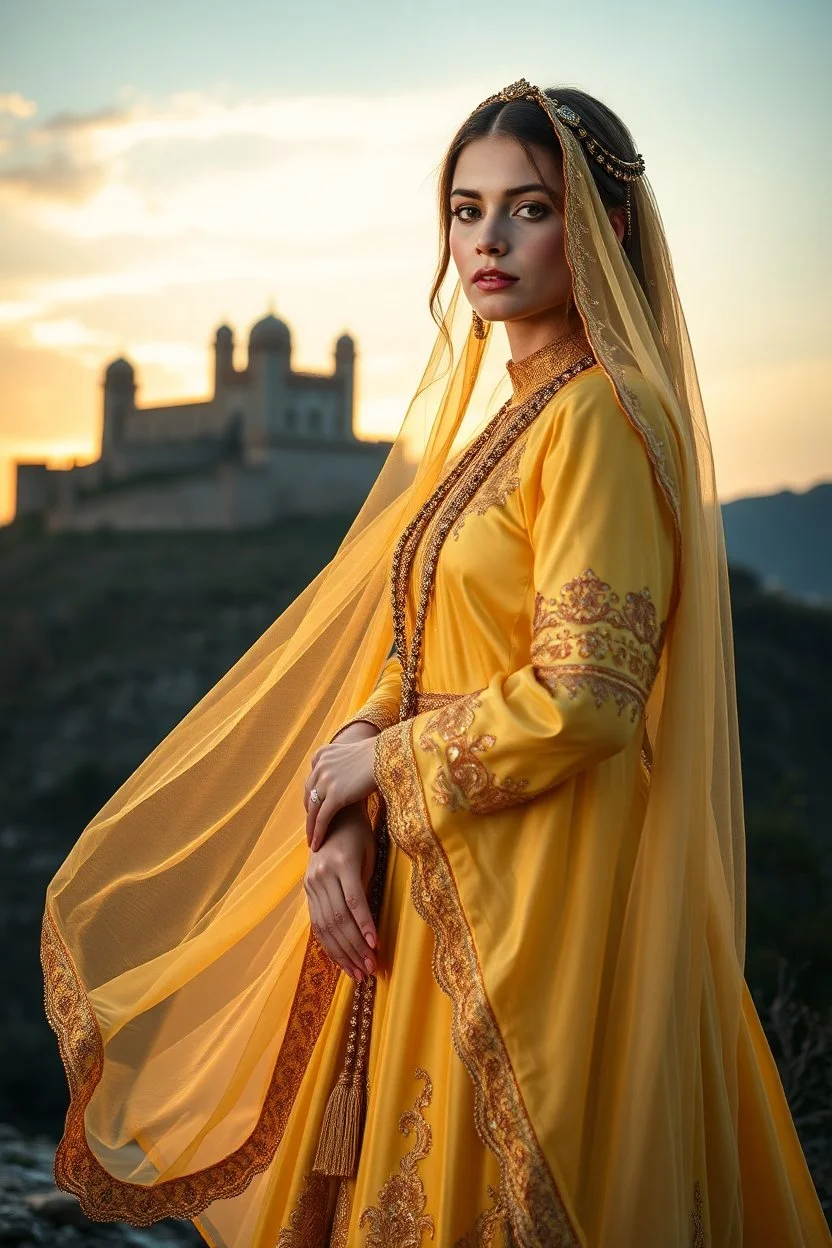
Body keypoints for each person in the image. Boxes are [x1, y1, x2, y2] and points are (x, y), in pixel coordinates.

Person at [40, 79, 830, 1248]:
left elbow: (588, 701)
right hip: (440, 874)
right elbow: (422, 646)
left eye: (527, 209)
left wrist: (386, 769)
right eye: (465, 211)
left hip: (533, 908)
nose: (488, 243)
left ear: (602, 226)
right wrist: (351, 778)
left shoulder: (602, 417)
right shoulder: (515, 415)